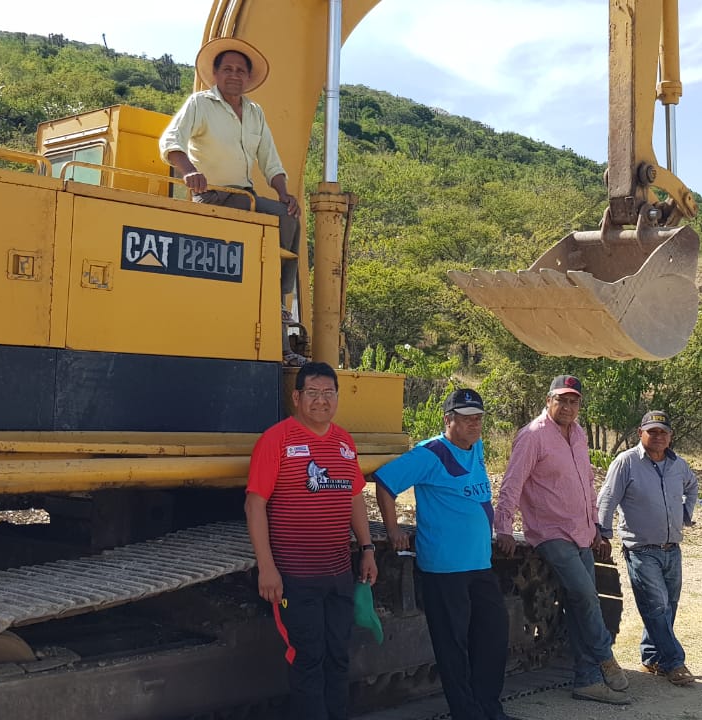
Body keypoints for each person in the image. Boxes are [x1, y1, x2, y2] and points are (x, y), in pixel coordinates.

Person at [372, 388, 518, 720]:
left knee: (492, 636)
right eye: (466, 419)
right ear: (448, 420)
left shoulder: (476, 447)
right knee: (453, 647)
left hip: (479, 564)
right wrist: (393, 529)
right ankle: (466, 712)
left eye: (478, 419)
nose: (474, 425)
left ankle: (489, 707)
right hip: (444, 568)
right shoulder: (429, 454)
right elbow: (385, 482)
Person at [159, 36, 306, 365]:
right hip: (213, 196)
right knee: (267, 225)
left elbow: (271, 161)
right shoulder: (199, 104)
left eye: (241, 70)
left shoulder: (255, 113)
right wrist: (189, 172)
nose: (234, 74)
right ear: (215, 74)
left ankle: (279, 301)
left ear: (248, 77)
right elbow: (170, 140)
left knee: (288, 216)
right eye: (227, 68)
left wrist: (284, 193)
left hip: (245, 197)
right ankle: (273, 308)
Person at [246, 362, 378, 720]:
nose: (321, 401)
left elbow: (354, 498)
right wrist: (267, 568)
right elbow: (255, 503)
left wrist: (367, 549)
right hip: (295, 576)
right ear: (297, 397)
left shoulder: (343, 442)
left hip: (337, 574)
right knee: (307, 658)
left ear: (337, 397)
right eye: (313, 393)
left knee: (338, 656)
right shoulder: (277, 439)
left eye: (328, 393)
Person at [494, 375, 631, 705]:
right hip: (550, 531)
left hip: (582, 531)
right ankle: (604, 657)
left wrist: (596, 524)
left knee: (583, 604)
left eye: (574, 401)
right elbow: (512, 483)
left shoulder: (579, 434)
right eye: (562, 400)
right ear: (548, 400)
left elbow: (586, 481)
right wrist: (502, 527)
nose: (568, 406)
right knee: (584, 594)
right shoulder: (532, 437)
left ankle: (587, 679)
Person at [596, 410, 698, 687]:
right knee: (656, 606)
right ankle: (674, 662)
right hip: (641, 549)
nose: (658, 437)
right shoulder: (626, 462)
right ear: (640, 433)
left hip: (672, 548)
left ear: (670, 436)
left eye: (663, 432)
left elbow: (692, 486)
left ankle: (652, 658)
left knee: (669, 606)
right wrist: (602, 533)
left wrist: (685, 514)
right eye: (652, 431)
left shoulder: (678, 465)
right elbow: (607, 497)